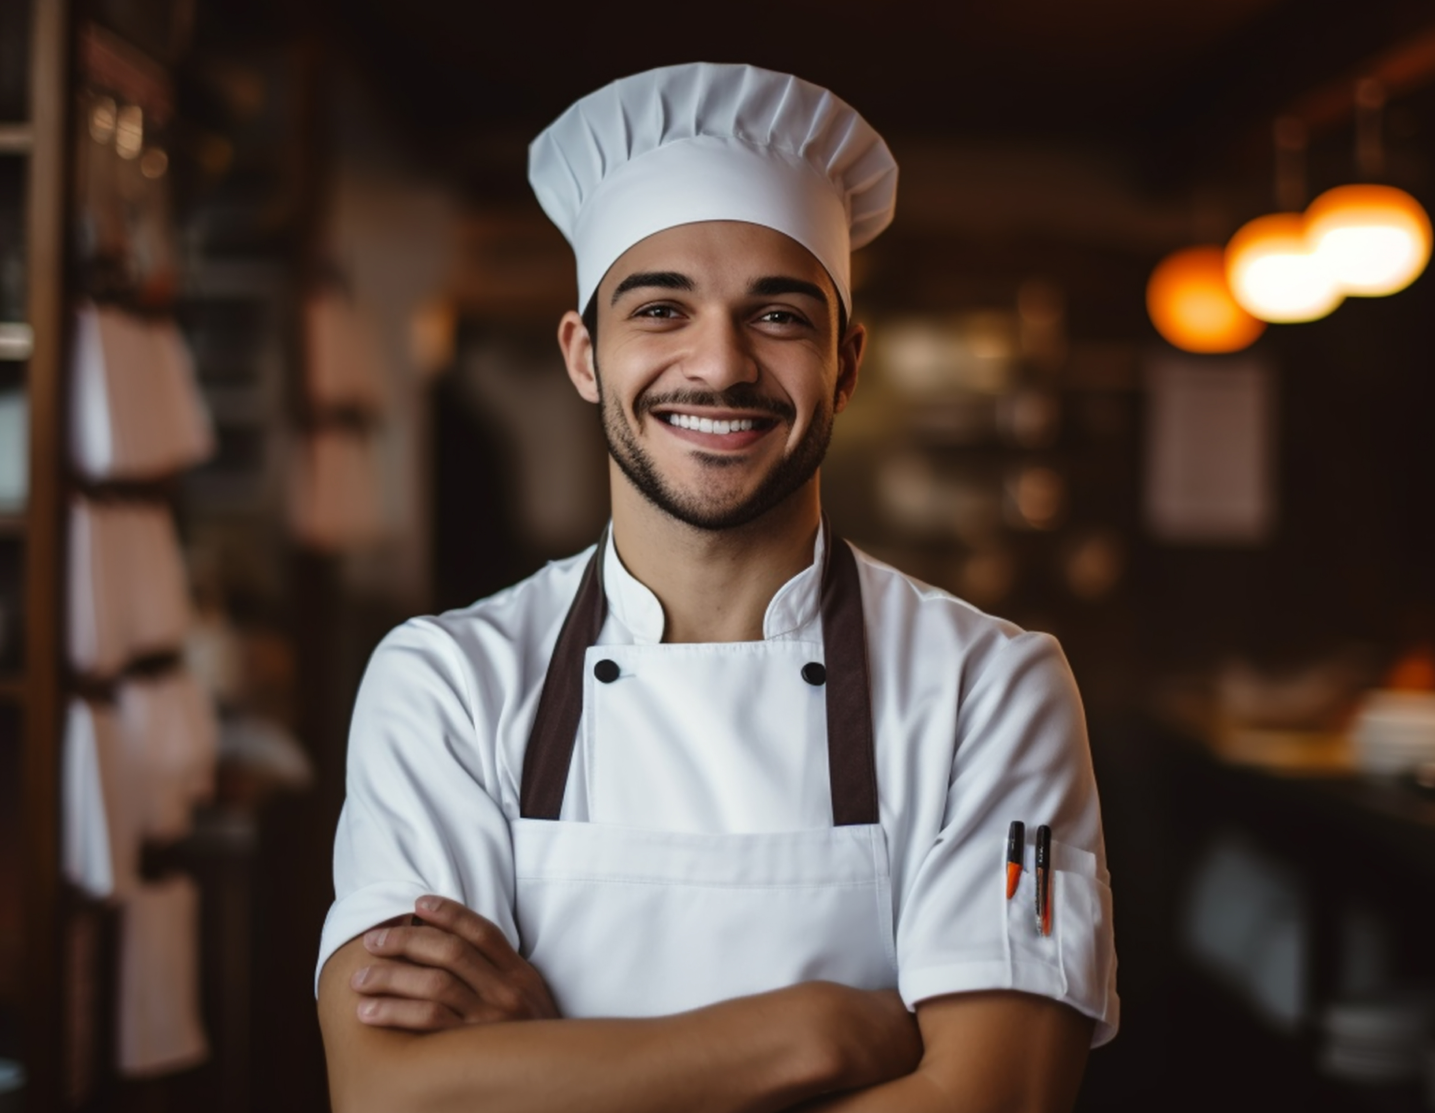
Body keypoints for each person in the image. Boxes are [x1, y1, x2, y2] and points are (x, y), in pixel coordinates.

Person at [316, 62, 1117, 1113]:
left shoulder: (990, 688)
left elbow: (993, 1102)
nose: (720, 365)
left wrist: (546, 1070)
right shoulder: (446, 684)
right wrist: (817, 1032)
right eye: (659, 310)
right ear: (583, 354)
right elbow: (387, 1099)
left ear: (847, 363)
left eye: (778, 316)